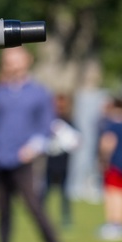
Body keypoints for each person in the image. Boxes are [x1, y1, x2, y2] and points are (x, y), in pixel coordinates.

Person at [0, 46, 74, 242]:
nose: (11, 63)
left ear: (27, 60)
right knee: (2, 209)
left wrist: (33, 147)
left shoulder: (39, 93)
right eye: (7, 59)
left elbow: (46, 125)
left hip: (24, 159)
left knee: (34, 206)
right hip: (0, 158)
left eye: (16, 58)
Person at [96, 96, 122, 241]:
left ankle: (114, 223)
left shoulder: (112, 124)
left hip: (114, 164)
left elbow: (108, 143)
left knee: (112, 193)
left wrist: (103, 159)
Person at [41, 92, 80, 229]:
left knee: (65, 193)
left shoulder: (69, 121)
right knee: (45, 191)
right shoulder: (49, 120)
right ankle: (40, 217)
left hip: (64, 164)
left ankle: (66, 219)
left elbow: (76, 140)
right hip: (50, 162)